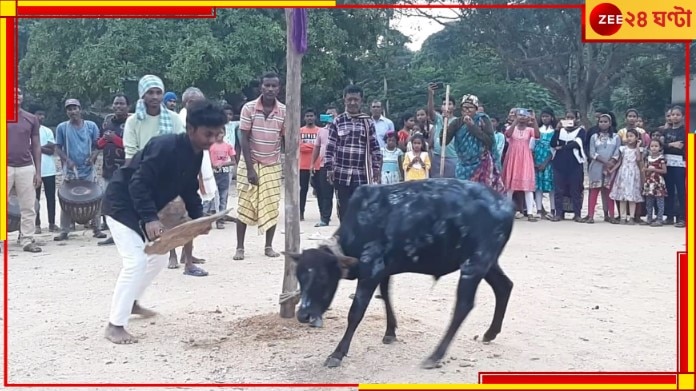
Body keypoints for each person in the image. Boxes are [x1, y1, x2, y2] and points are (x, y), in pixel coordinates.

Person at [101, 99, 225, 344]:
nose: (211, 140)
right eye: (207, 134)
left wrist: (201, 219)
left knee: (157, 258)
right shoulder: (164, 146)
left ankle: (132, 302)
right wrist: (149, 218)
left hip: (141, 206)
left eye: (216, 135)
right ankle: (115, 325)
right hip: (121, 205)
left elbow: (189, 189)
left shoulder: (196, 154)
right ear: (190, 129)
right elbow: (138, 183)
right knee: (135, 262)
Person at [234, 72, 287, 260]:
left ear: (279, 89)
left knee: (272, 205)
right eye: (267, 86)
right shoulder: (248, 108)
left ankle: (268, 246)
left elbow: (286, 139)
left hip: (272, 163)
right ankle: (240, 247)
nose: (270, 89)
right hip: (250, 162)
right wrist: (249, 168)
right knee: (244, 204)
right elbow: (244, 138)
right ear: (261, 87)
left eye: (274, 86)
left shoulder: (283, 111)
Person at [324, 84, 382, 222]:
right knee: (344, 210)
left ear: (361, 101)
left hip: (361, 175)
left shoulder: (368, 122)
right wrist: (329, 168)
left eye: (356, 99)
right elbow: (330, 146)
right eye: (349, 99)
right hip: (341, 174)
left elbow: (375, 148)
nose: (352, 103)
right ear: (344, 100)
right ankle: (345, 240)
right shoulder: (338, 121)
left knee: (361, 210)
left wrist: (376, 169)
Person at [54, 98, 104, 241]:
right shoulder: (62, 127)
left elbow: (97, 145)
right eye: (69, 109)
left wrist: (93, 157)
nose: (72, 111)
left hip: (88, 169)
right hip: (70, 171)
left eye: (75, 108)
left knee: (96, 197)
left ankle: (97, 228)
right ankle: (65, 230)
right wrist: (67, 160)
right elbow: (57, 147)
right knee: (66, 199)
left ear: (80, 109)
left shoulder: (91, 126)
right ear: (67, 112)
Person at [445, 94, 504, 193]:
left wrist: (472, 126)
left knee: (480, 193)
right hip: (463, 165)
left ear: (476, 109)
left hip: (480, 163)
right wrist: (445, 122)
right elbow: (445, 141)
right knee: (463, 192)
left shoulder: (483, 120)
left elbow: (489, 141)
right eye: (465, 107)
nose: (467, 110)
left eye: (470, 108)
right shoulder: (457, 123)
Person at [8, 88, 42, 252]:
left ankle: (27, 240)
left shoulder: (31, 118)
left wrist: (38, 172)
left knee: (28, 206)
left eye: (19, 93)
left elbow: (36, 145)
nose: (16, 96)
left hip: (26, 167)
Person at [96, 94, 130, 246]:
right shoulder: (107, 123)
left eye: (121, 104)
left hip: (127, 171)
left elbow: (131, 145)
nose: (118, 106)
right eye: (116, 103)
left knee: (127, 203)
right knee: (110, 204)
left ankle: (131, 234)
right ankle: (114, 235)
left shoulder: (132, 123)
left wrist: (114, 139)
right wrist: (105, 139)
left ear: (128, 106)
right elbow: (99, 144)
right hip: (109, 170)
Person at [502, 108, 540, 221]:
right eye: (520, 115)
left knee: (527, 187)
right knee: (510, 188)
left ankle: (530, 213)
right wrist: (515, 122)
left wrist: (534, 121)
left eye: (524, 116)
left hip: (525, 158)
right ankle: (507, 212)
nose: (522, 117)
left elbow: (537, 136)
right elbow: (508, 135)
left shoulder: (529, 130)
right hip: (513, 157)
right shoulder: (510, 128)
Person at [549, 111, 586, 222]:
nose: (569, 119)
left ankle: (577, 214)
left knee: (575, 189)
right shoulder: (560, 130)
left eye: (572, 117)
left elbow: (577, 143)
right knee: (559, 190)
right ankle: (559, 213)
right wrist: (556, 130)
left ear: (576, 119)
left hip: (574, 164)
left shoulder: (581, 130)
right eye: (567, 117)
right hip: (559, 164)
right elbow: (553, 144)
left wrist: (563, 147)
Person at [583, 113, 620, 224]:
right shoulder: (594, 137)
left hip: (610, 168)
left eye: (605, 121)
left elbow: (617, 152)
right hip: (596, 166)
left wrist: (611, 162)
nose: (603, 124)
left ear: (610, 123)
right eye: (601, 122)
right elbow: (592, 153)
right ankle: (590, 216)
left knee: (609, 191)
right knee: (594, 191)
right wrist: (605, 162)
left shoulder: (616, 137)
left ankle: (611, 215)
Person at [609, 129, 644, 225]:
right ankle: (623, 217)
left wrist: (637, 146)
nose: (629, 138)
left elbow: (638, 159)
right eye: (628, 136)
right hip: (623, 173)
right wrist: (612, 170)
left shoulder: (639, 149)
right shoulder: (623, 148)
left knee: (632, 195)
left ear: (637, 138)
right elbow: (619, 161)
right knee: (622, 196)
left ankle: (632, 217)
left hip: (633, 173)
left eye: (632, 136)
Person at [33, 109, 59, 234]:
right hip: (33, 170)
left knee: (50, 197)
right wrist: (44, 147)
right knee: (35, 198)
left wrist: (36, 147)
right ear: (33, 115)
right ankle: (37, 224)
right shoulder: (29, 130)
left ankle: (52, 223)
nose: (41, 117)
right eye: (38, 114)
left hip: (49, 169)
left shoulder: (47, 131)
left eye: (43, 114)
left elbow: (51, 150)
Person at [426, 83, 458, 178]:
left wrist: (447, 121)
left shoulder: (457, 121)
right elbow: (430, 112)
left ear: (454, 107)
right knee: (436, 183)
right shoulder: (439, 119)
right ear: (441, 107)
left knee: (450, 183)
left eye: (449, 104)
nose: (446, 106)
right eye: (444, 104)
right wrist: (431, 95)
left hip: (452, 157)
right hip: (437, 156)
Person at [309, 111, 334, 227]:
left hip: (340, 165)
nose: (330, 117)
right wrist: (312, 164)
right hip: (324, 165)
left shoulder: (341, 130)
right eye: (328, 115)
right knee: (325, 193)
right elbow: (317, 148)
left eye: (332, 115)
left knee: (342, 194)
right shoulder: (321, 131)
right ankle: (325, 218)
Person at [209, 127, 236, 229]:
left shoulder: (228, 146)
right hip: (213, 174)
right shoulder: (210, 146)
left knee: (223, 197)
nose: (219, 135)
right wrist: (212, 165)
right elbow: (207, 159)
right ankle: (214, 218)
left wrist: (223, 164)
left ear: (224, 133)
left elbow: (233, 161)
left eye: (220, 133)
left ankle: (220, 219)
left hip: (224, 174)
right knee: (215, 197)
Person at [533, 108, 556, 218]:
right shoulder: (537, 130)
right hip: (537, 160)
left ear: (552, 117)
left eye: (547, 116)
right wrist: (534, 162)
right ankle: (538, 210)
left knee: (552, 186)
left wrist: (546, 162)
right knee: (538, 187)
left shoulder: (555, 131)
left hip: (549, 161)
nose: (545, 118)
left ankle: (552, 210)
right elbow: (532, 147)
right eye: (543, 116)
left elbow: (554, 149)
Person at [641, 139, 667, 227]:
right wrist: (645, 172)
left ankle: (660, 219)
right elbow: (645, 169)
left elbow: (664, 171)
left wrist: (653, 169)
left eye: (656, 146)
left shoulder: (661, 158)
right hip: (649, 182)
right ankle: (649, 218)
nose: (654, 148)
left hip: (658, 182)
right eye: (652, 146)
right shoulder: (647, 158)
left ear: (660, 147)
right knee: (649, 202)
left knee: (660, 202)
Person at [299, 108, 320, 221]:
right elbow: (299, 146)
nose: (309, 118)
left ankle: (324, 214)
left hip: (317, 165)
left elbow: (321, 147)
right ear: (304, 118)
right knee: (303, 190)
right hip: (302, 165)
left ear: (315, 117)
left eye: (311, 115)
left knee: (320, 190)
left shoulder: (320, 131)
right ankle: (300, 212)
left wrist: (308, 146)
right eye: (307, 116)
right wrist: (314, 147)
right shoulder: (300, 131)